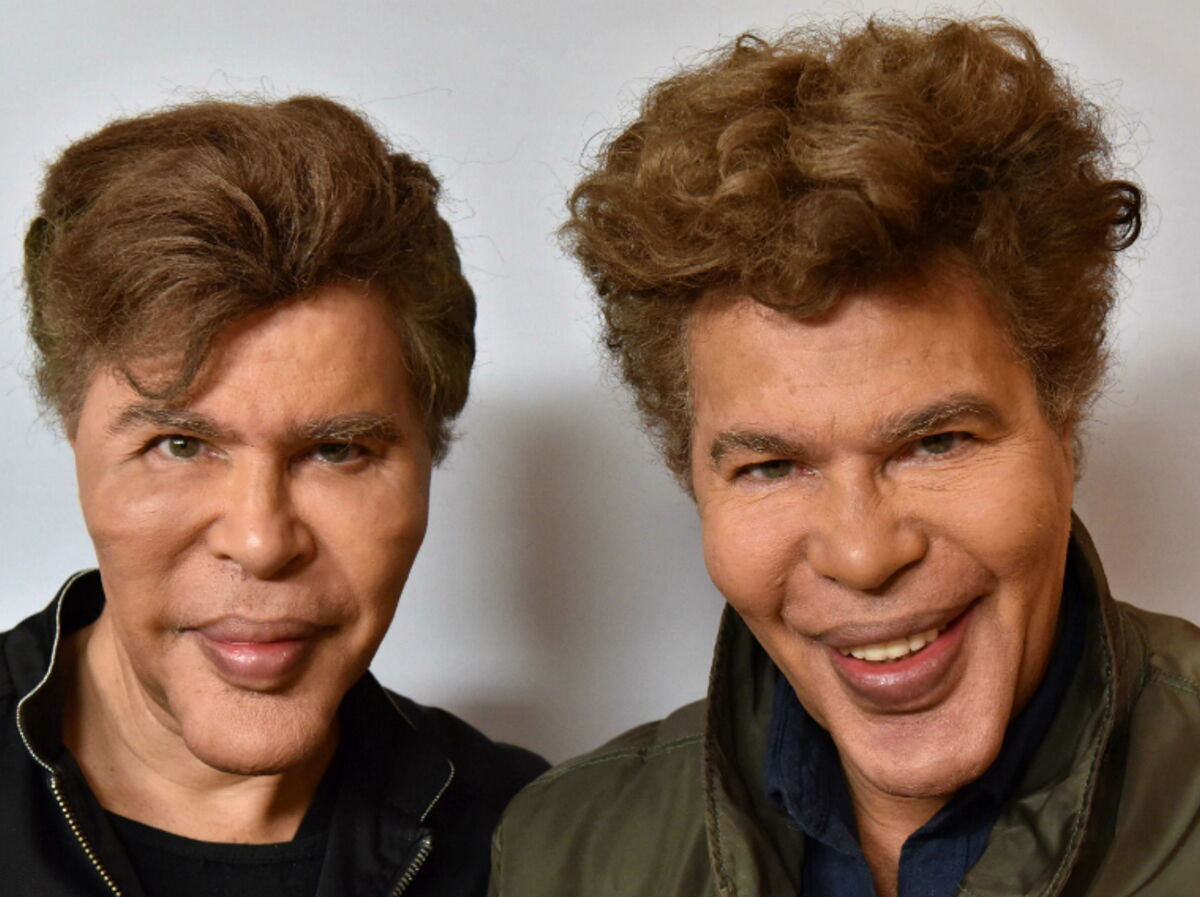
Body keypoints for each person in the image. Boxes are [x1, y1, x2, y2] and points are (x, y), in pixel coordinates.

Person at [490, 16, 1200, 897]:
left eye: (936, 442)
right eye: (771, 466)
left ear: (1064, 425)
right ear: (695, 480)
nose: (863, 556)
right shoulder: (565, 853)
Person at [2, 95, 546, 896]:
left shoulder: (537, 844)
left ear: (428, 455)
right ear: (75, 440)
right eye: (180, 445)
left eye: (337, 450)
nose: (261, 542)